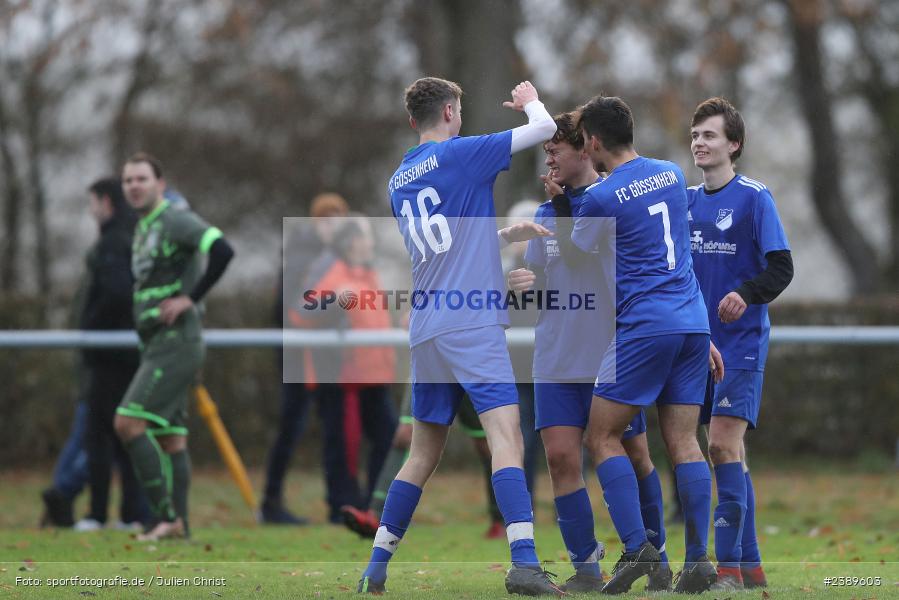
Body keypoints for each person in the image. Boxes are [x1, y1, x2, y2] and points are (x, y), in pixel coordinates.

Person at [356, 77, 560, 596]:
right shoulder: (464, 153)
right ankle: (526, 562)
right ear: (449, 111)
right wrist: (528, 99)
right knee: (506, 437)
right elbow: (546, 128)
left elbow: (444, 246)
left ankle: (374, 570)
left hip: (426, 326)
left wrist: (501, 239)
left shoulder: (399, 178)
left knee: (422, 454)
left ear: (412, 121)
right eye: (461, 111)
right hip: (470, 323)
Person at [553, 95, 722, 594]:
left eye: (584, 140)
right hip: (693, 323)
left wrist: (564, 199)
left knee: (601, 437)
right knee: (686, 443)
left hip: (647, 325)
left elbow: (577, 252)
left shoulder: (603, 197)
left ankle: (636, 548)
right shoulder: (670, 172)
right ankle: (698, 563)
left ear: (596, 142)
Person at [507, 111, 672, 592]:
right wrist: (523, 284)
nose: (549, 155)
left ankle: (654, 555)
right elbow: (541, 286)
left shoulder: (614, 202)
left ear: (586, 149)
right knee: (560, 457)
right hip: (556, 356)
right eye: (545, 149)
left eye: (556, 147)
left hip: (610, 352)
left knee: (634, 454)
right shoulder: (542, 214)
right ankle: (585, 569)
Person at [687, 97, 792, 590]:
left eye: (709, 135)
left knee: (722, 445)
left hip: (741, 345)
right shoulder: (686, 202)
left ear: (734, 144)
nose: (699, 143)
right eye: (694, 136)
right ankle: (749, 566)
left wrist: (746, 295)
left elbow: (781, 267)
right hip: (695, 348)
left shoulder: (754, 197)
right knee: (726, 454)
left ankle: (726, 570)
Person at [113, 152, 235, 541]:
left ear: (159, 184)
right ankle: (179, 526)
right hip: (157, 343)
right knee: (170, 437)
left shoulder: (174, 219)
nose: (133, 186)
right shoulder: (144, 226)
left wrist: (189, 299)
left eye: (141, 179)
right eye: (128, 180)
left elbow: (222, 250)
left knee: (128, 422)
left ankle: (166, 517)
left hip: (176, 342)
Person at [292, 216, 398, 523]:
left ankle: (374, 506)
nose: (371, 243)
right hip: (344, 376)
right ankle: (343, 508)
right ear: (353, 242)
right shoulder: (331, 269)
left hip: (374, 375)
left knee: (389, 439)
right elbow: (302, 313)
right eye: (366, 237)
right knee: (344, 446)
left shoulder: (369, 272)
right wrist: (333, 302)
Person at [260, 193, 350, 525]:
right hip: (300, 355)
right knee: (292, 426)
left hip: (322, 353)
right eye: (329, 220)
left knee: (332, 429)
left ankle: (338, 504)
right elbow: (293, 308)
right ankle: (271, 502)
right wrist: (333, 305)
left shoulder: (330, 255)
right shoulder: (302, 255)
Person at [76, 177, 146, 531]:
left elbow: (117, 293)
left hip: (111, 355)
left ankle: (100, 513)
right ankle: (129, 513)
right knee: (123, 435)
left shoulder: (113, 242)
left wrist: (90, 326)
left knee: (101, 436)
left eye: (92, 203)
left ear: (105, 202)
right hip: (126, 353)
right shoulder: (132, 236)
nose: (90, 211)